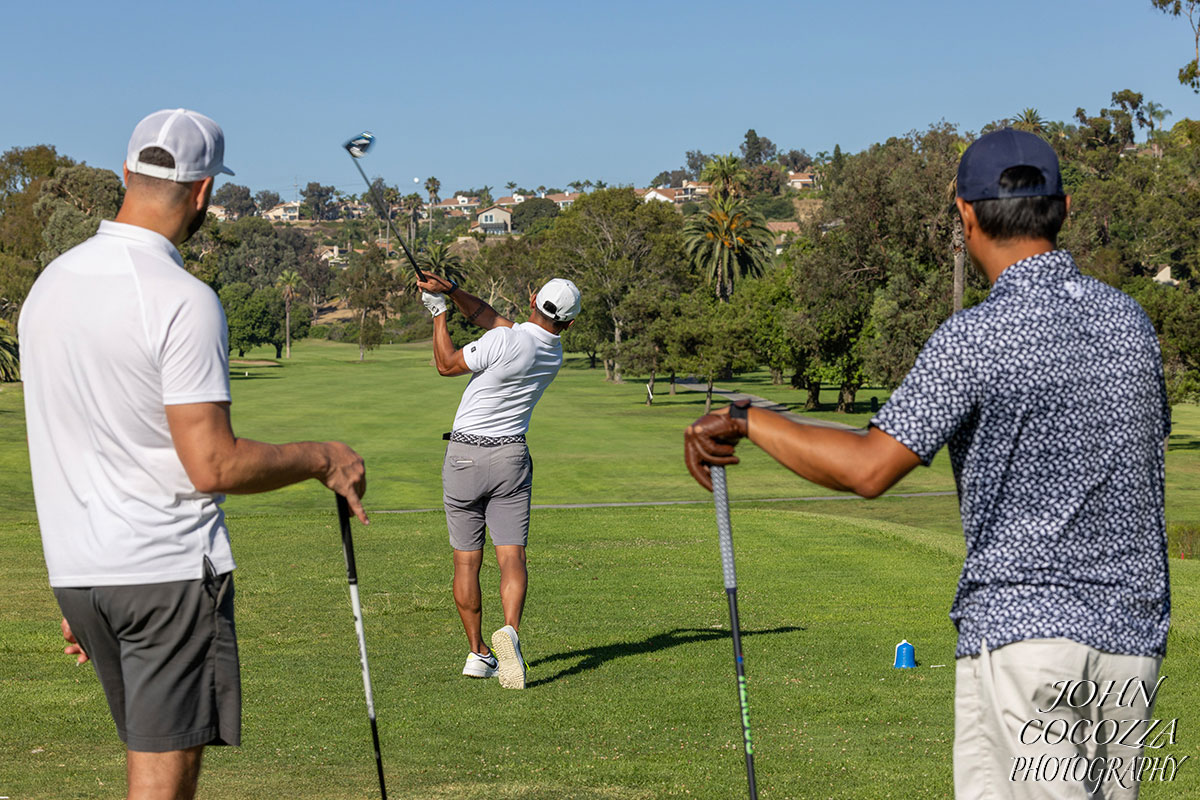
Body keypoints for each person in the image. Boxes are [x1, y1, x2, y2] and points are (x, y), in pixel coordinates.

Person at [684, 128, 1170, 800]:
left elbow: (869, 467)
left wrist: (746, 419)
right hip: (1131, 646)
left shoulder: (975, 338)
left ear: (966, 216)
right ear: (1062, 208)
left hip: (1026, 640)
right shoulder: (1130, 322)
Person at [19, 108, 368, 800]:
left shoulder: (48, 286)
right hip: (166, 575)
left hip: (85, 576)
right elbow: (214, 465)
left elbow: (77, 440)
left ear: (126, 173)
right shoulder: (183, 299)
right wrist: (323, 456)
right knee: (162, 786)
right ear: (205, 191)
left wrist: (87, 580)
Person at [416, 272, 580, 689]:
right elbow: (490, 318)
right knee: (512, 557)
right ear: (570, 323)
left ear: (531, 299)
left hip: (464, 457)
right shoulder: (551, 352)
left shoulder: (506, 340)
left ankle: (478, 653)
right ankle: (510, 632)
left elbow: (445, 364)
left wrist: (438, 314)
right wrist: (451, 290)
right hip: (510, 456)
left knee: (466, 561)